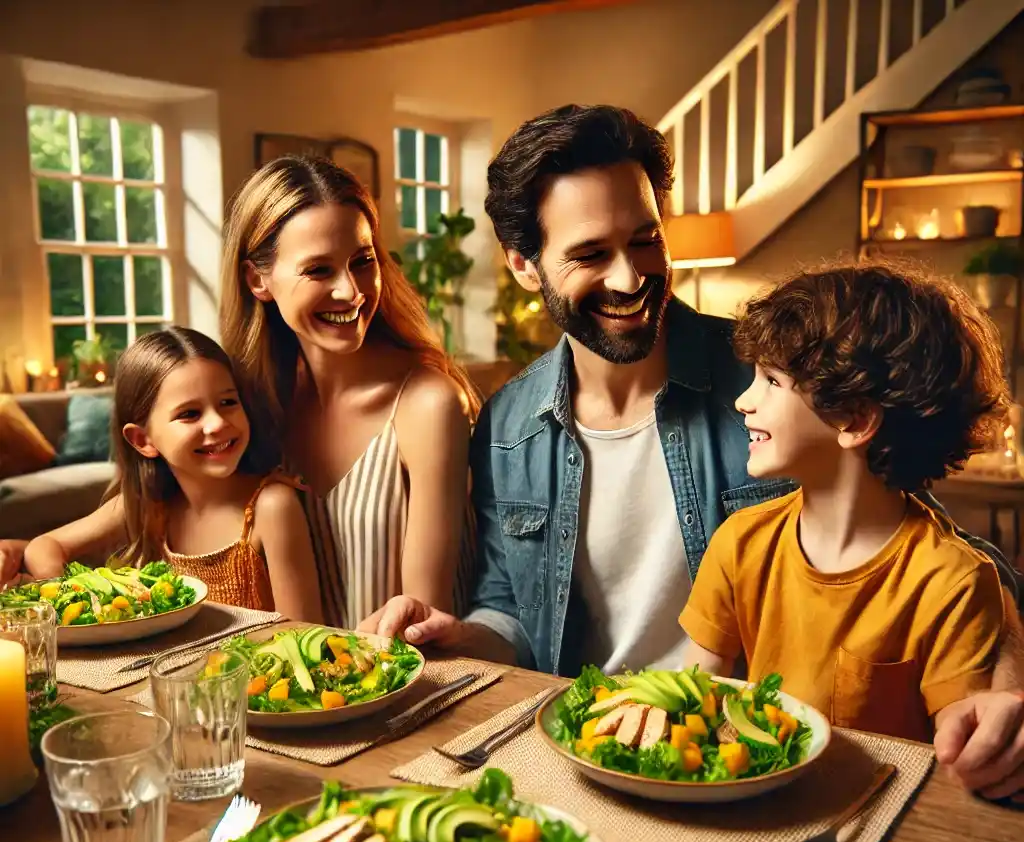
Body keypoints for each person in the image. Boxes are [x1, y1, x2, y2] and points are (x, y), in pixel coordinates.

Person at [363, 104, 1024, 800]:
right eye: (590, 255)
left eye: (645, 240)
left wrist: (1002, 688)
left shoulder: (776, 384)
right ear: (525, 265)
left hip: (734, 759)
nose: (628, 278)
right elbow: (512, 613)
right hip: (583, 751)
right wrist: (458, 637)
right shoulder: (507, 422)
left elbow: (932, 544)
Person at [677, 260, 1010, 744]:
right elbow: (694, 700)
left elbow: (962, 748)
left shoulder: (953, 584)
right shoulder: (740, 543)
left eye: (771, 381)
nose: (743, 401)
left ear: (854, 419)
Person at [220, 154, 479, 628]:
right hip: (290, 693)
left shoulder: (428, 405)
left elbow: (423, 623)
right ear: (258, 280)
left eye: (363, 261)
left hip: (413, 686)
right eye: (318, 270)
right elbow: (160, 501)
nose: (351, 291)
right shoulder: (249, 406)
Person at [20, 327, 321, 620]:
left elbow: (304, 631)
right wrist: (75, 600)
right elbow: (43, 547)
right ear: (143, 440)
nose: (217, 423)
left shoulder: (271, 507)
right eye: (190, 413)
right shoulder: (148, 505)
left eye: (228, 402)